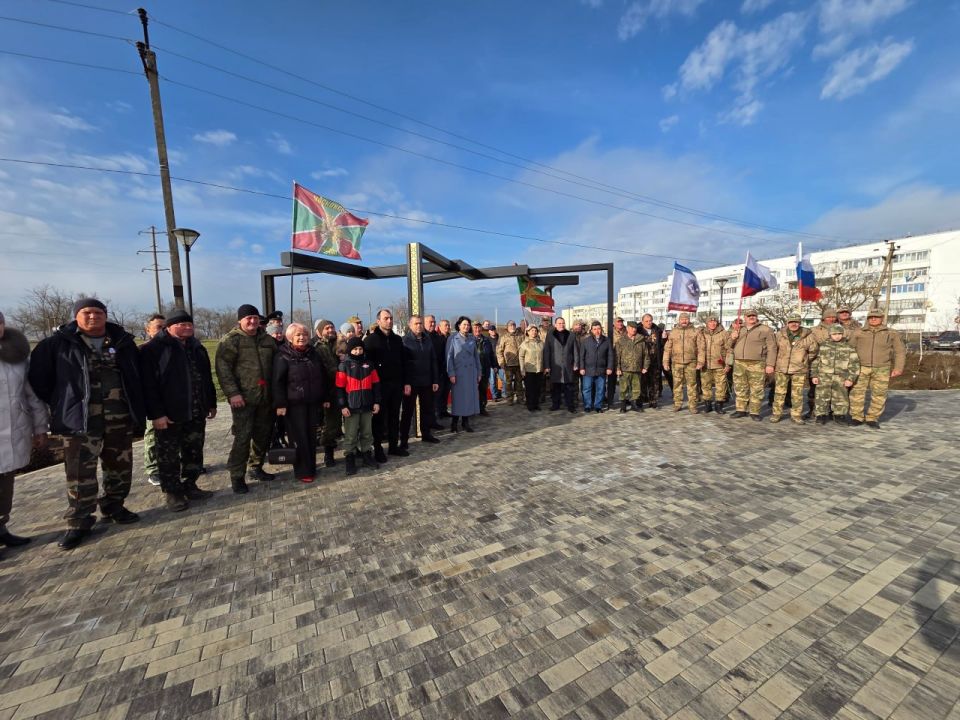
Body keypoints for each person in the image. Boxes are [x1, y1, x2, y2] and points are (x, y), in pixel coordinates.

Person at [29, 298, 146, 550]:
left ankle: (115, 506)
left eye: (98, 312)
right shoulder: (56, 345)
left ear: (105, 315)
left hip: (119, 418)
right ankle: (79, 522)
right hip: (79, 422)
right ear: (76, 316)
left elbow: (137, 375)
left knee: (120, 467)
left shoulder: (122, 343)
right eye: (87, 312)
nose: (93, 317)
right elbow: (39, 380)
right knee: (80, 473)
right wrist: (62, 401)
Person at [139, 310, 217, 511]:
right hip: (169, 414)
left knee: (194, 449)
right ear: (169, 327)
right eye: (182, 324)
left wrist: (211, 403)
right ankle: (173, 493)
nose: (188, 327)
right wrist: (156, 414)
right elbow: (149, 386)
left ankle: (190, 485)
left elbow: (206, 377)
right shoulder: (154, 349)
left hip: (196, 410)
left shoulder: (197, 347)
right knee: (168, 455)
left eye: (190, 324)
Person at [215, 304, 277, 494]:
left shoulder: (267, 339)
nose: (252, 321)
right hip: (243, 399)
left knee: (263, 435)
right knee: (242, 439)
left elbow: (278, 363)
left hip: (265, 398)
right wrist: (233, 393)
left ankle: (256, 467)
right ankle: (237, 476)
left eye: (255, 318)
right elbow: (223, 370)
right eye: (248, 318)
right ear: (239, 321)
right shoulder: (230, 341)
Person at [0, 311, 48, 555]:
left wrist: (40, 428)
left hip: (13, 428)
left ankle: (2, 528)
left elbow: (32, 396)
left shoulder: (16, 357)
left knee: (5, 482)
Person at [273, 323, 327, 483]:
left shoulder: (313, 354)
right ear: (290, 338)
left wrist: (324, 397)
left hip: (311, 402)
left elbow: (321, 377)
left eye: (304, 334)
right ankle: (303, 471)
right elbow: (278, 382)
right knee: (299, 437)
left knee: (311, 436)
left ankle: (311, 466)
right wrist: (280, 404)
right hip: (293, 404)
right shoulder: (282, 356)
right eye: (298, 335)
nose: (302, 337)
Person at [847, 307, 905, 428]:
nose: (873, 319)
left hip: (882, 368)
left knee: (879, 394)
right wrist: (849, 367)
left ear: (882, 318)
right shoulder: (858, 332)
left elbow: (900, 351)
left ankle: (872, 418)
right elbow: (849, 349)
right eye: (871, 317)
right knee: (857, 393)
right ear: (868, 319)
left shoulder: (891, 333)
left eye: (876, 317)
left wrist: (898, 367)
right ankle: (856, 417)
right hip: (861, 367)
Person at [364, 309, 407, 461]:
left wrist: (405, 382)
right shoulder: (370, 341)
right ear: (379, 321)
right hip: (379, 386)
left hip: (396, 384)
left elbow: (403, 362)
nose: (389, 321)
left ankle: (394, 446)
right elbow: (367, 366)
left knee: (395, 416)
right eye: (386, 318)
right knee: (379, 419)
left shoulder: (397, 340)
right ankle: (378, 448)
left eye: (391, 318)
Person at [336, 337, 381, 475]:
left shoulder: (369, 364)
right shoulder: (344, 366)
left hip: (367, 405)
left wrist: (377, 401)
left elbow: (376, 384)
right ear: (350, 350)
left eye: (360, 348)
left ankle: (367, 454)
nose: (358, 351)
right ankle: (350, 457)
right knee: (351, 434)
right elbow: (339, 388)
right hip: (351, 407)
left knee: (367, 433)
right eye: (355, 349)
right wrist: (342, 405)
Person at [399, 315, 441, 448]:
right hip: (411, 383)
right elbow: (403, 364)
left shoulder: (427, 340)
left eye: (420, 323)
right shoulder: (405, 341)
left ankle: (426, 434)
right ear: (410, 325)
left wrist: (435, 380)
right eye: (416, 324)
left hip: (427, 381)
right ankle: (404, 439)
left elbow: (433, 360)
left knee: (427, 409)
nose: (419, 326)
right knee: (407, 412)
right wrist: (406, 383)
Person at [729, 310, 777, 421]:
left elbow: (772, 348)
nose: (751, 317)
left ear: (756, 317)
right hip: (739, 362)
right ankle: (741, 410)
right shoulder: (738, 329)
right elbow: (728, 346)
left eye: (753, 316)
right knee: (740, 387)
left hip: (757, 363)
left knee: (757, 388)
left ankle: (754, 412)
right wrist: (733, 337)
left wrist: (770, 364)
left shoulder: (766, 330)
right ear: (745, 318)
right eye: (749, 316)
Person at [770, 314, 818, 425]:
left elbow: (813, 351)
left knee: (797, 394)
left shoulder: (808, 336)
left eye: (796, 322)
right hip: (782, 368)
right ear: (787, 323)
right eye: (791, 322)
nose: (794, 324)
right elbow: (773, 349)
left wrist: (803, 360)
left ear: (800, 323)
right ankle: (776, 414)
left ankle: (796, 415)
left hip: (799, 369)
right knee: (779, 393)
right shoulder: (779, 335)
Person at [811, 325, 860, 424]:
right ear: (830, 334)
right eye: (834, 334)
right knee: (821, 395)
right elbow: (816, 361)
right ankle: (821, 415)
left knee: (840, 396)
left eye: (839, 334)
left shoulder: (848, 347)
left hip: (841, 376)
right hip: (824, 376)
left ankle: (839, 415)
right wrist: (814, 375)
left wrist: (851, 378)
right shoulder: (823, 346)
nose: (837, 336)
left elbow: (854, 363)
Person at [141, 313, 166, 487]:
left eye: (165, 327)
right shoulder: (144, 350)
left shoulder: (174, 348)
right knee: (152, 436)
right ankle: (153, 469)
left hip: (171, 399)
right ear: (148, 330)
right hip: (152, 400)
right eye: (158, 327)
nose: (162, 331)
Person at [312, 319, 341, 467]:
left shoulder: (339, 344)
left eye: (332, 327)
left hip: (342, 390)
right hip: (328, 392)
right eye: (327, 328)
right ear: (319, 332)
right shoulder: (317, 348)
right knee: (329, 425)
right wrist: (324, 395)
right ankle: (328, 454)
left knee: (337, 424)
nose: (330, 330)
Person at [446, 316, 481, 432]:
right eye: (464, 324)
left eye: (468, 325)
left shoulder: (472, 339)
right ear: (459, 325)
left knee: (469, 398)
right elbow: (449, 357)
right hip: (459, 373)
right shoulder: (453, 339)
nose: (466, 327)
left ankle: (466, 423)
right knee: (458, 399)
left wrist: (479, 372)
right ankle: (454, 423)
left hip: (470, 372)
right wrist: (451, 373)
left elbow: (476, 357)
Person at [662, 312, 701, 414]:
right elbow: (667, 348)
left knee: (692, 385)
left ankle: (692, 405)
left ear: (689, 320)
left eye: (686, 319)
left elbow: (701, 347)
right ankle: (677, 404)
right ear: (679, 320)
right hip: (677, 362)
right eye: (682, 319)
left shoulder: (695, 331)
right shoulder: (673, 332)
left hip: (691, 362)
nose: (684, 321)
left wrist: (700, 361)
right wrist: (665, 362)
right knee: (677, 384)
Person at [807, 307, 838, 418]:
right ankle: (813, 410)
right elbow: (810, 345)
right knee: (814, 389)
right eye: (829, 317)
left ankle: (830, 411)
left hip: (835, 364)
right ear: (824, 318)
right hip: (817, 363)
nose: (831, 319)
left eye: (833, 317)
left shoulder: (840, 329)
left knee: (833, 389)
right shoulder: (814, 330)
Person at [697, 316, 731, 414]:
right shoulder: (701, 333)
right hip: (705, 364)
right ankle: (708, 405)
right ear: (707, 323)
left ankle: (718, 406)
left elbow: (729, 350)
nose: (713, 323)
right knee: (705, 385)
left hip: (720, 364)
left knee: (721, 386)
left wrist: (728, 364)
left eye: (714, 322)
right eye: (710, 322)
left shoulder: (724, 333)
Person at [543, 317, 578, 412]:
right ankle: (555, 404)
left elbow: (575, 350)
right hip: (555, 366)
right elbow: (547, 351)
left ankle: (570, 406)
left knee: (569, 387)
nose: (561, 325)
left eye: (563, 323)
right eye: (559, 323)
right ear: (555, 324)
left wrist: (576, 363)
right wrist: (547, 366)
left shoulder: (571, 335)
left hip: (568, 365)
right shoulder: (550, 335)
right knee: (555, 387)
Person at [578, 320, 614, 413]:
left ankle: (598, 406)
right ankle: (588, 406)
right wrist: (581, 368)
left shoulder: (606, 340)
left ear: (601, 329)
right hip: (588, 370)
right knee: (586, 389)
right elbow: (581, 356)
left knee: (600, 389)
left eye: (598, 329)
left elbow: (610, 355)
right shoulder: (586, 341)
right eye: (594, 329)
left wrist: (609, 367)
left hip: (601, 369)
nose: (597, 331)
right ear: (591, 330)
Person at [616, 321, 650, 412]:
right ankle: (623, 406)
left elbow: (646, 355)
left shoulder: (641, 340)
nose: (633, 329)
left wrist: (645, 367)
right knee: (624, 388)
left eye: (635, 328)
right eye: (631, 328)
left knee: (636, 388)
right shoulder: (621, 340)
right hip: (625, 369)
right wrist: (618, 368)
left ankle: (634, 404)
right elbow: (617, 355)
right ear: (627, 328)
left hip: (637, 368)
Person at [638, 314, 664, 409]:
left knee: (654, 382)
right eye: (647, 321)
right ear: (642, 322)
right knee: (642, 381)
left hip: (654, 361)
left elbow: (661, 345)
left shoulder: (657, 330)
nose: (649, 323)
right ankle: (642, 398)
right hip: (643, 361)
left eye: (650, 320)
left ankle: (653, 401)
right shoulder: (638, 331)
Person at [428, 317, 451, 422]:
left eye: (448, 325)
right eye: (445, 325)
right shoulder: (437, 338)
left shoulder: (449, 338)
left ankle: (443, 410)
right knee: (438, 393)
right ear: (440, 327)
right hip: (437, 370)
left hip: (446, 369)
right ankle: (437, 412)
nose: (447, 327)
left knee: (446, 391)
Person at [496, 320, 524, 405]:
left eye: (514, 325)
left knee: (519, 382)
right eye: (510, 325)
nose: (512, 327)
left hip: (519, 363)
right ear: (507, 327)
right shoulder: (503, 337)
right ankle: (510, 399)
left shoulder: (521, 336)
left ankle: (520, 398)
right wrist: (501, 362)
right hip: (508, 364)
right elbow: (499, 351)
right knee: (508, 383)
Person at [518, 325, 544, 411]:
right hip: (529, 370)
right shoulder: (524, 344)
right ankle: (530, 405)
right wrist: (522, 369)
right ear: (528, 332)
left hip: (539, 369)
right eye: (532, 330)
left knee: (537, 388)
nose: (534, 332)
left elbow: (544, 355)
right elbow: (521, 357)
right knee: (530, 389)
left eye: (535, 330)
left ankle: (536, 404)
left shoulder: (541, 343)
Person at [473, 321, 495, 416]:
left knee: (483, 390)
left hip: (485, 369)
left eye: (479, 327)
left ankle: (482, 408)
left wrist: (494, 365)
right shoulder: (469, 340)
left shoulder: (486, 340)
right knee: (473, 390)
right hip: (473, 370)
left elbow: (491, 354)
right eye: (475, 327)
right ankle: (472, 409)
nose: (477, 329)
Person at [607, 317, 626, 408]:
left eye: (621, 322)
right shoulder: (610, 333)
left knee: (625, 382)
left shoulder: (627, 331)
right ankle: (610, 400)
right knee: (611, 381)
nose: (620, 324)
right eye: (618, 322)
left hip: (625, 360)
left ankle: (624, 399)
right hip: (613, 360)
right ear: (614, 323)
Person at [488, 325, 504, 401]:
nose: (493, 331)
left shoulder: (500, 339)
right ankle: (494, 396)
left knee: (504, 380)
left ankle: (504, 394)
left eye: (494, 330)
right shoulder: (487, 340)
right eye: (491, 330)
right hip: (491, 364)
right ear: (489, 331)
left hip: (500, 363)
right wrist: (492, 365)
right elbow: (488, 354)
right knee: (492, 381)